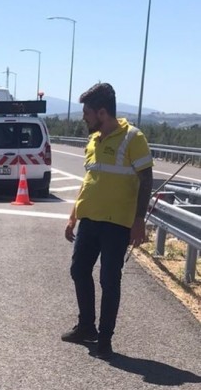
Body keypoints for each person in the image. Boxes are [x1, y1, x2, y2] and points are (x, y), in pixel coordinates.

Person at [62, 82, 153, 360]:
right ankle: (87, 327)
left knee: (109, 280)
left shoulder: (133, 138)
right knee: (79, 271)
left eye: (87, 113)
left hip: (117, 223)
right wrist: (73, 216)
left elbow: (146, 180)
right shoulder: (94, 140)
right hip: (90, 219)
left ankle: (105, 338)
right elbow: (90, 180)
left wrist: (139, 221)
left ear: (102, 112)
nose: (84, 118)